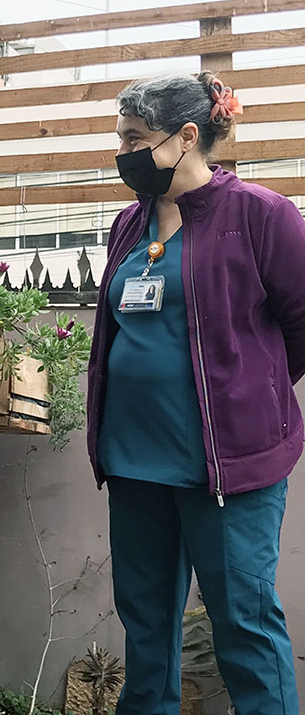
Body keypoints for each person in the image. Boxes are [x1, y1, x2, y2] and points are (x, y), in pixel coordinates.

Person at [87, 72, 305, 715]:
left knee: (243, 624)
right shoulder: (129, 224)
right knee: (147, 630)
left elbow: (301, 324)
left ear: (187, 137)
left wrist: (248, 393)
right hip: (134, 461)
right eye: (120, 137)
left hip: (228, 463)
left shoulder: (262, 216)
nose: (123, 152)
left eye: (136, 139)